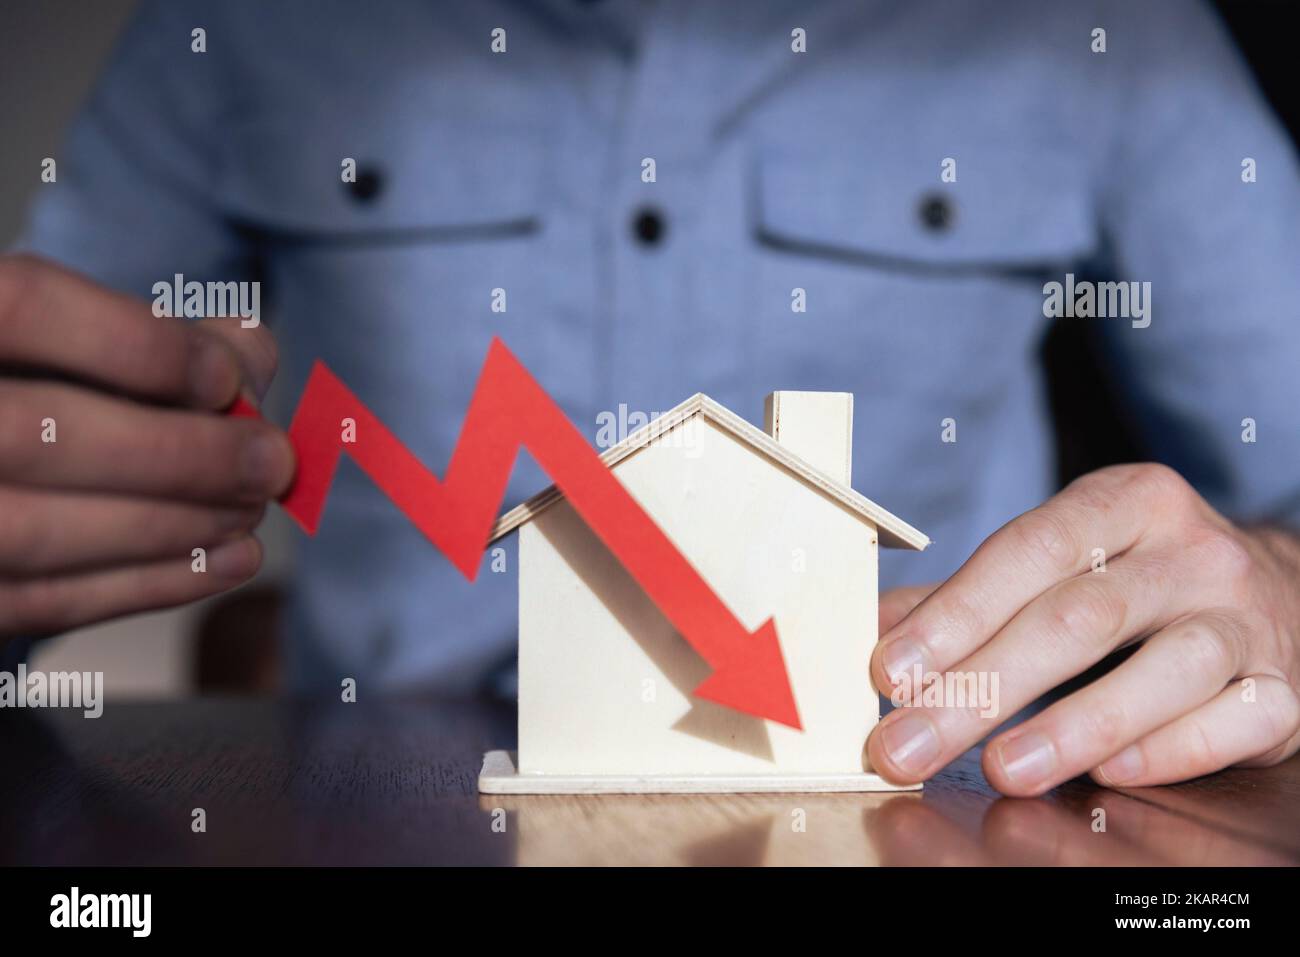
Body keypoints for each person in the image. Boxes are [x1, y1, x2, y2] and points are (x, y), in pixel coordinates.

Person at [4, 0, 1298, 796]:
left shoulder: (1112, 28)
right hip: (388, 820)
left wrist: (1277, 597)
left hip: (912, 807)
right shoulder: (241, 20)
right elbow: (47, 426)